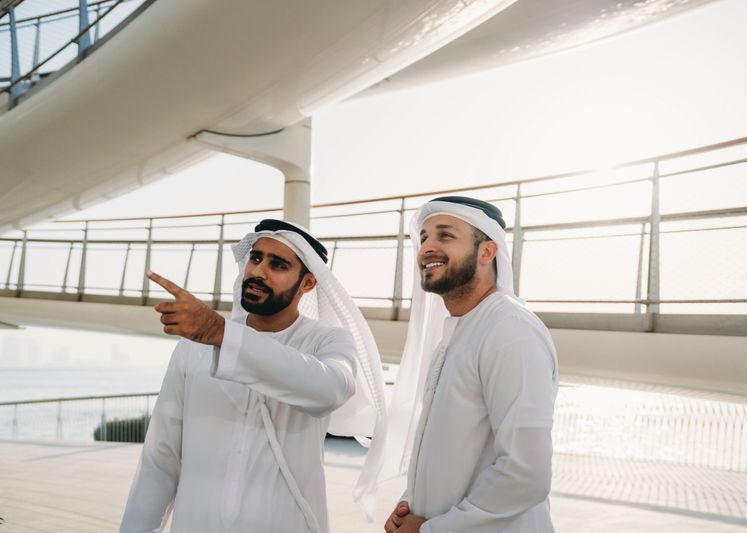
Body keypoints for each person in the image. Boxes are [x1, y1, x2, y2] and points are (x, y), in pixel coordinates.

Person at [120, 219, 386, 533]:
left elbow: (330, 390)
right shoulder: (193, 348)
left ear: (308, 283)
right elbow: (160, 460)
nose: (258, 271)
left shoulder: (327, 342)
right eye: (256, 258)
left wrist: (221, 333)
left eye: (278, 264)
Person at [379, 196, 559, 533]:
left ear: (487, 252)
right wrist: (411, 505)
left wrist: (429, 530)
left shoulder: (509, 330)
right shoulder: (457, 334)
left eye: (445, 236)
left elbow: (526, 473)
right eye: (424, 238)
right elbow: (449, 452)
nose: (426, 248)